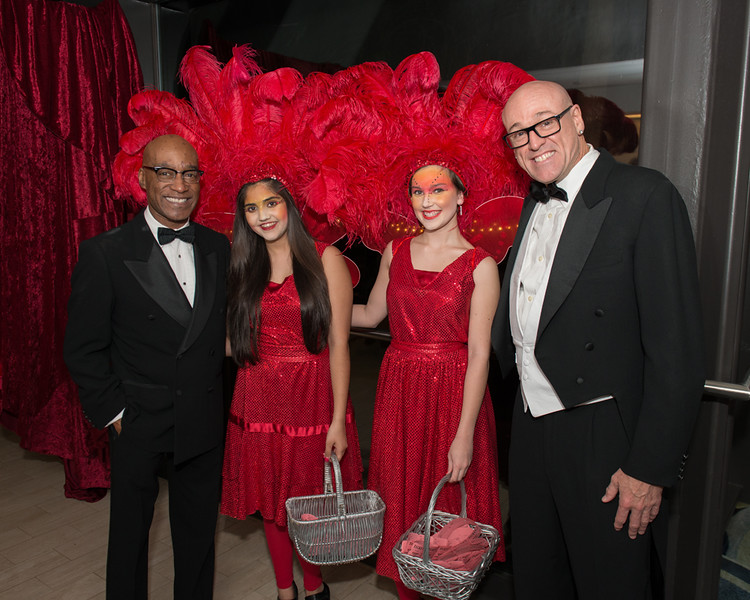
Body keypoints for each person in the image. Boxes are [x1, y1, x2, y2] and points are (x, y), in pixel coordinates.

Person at [491, 80, 705, 599]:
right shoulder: (530, 203)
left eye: (545, 122)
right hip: (531, 427)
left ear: (577, 120)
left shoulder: (645, 196)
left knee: (609, 582)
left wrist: (648, 468)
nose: (533, 140)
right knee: (539, 577)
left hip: (603, 434)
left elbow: (676, 351)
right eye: (517, 133)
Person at [64, 134, 230, 599]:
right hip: (138, 420)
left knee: (199, 541)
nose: (180, 184)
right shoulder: (106, 252)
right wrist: (115, 415)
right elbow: (82, 348)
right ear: (142, 179)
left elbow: (223, 333)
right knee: (130, 541)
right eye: (166, 172)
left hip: (201, 418)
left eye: (189, 173)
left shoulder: (218, 247)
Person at [352, 164, 504, 600]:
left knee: (451, 530)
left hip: (454, 398)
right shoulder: (394, 251)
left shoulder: (481, 265)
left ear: (460, 196)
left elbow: (479, 356)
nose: (427, 200)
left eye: (438, 189)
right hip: (399, 393)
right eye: (417, 192)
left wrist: (465, 435)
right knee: (403, 512)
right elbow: (368, 315)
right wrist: (314, 303)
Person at [221, 177, 362, 600]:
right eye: (251, 208)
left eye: (270, 203)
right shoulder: (244, 265)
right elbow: (234, 341)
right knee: (272, 503)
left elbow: (339, 344)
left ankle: (316, 588)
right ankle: (286, 592)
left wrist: (338, 420)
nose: (262, 214)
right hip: (258, 394)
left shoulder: (325, 259)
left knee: (306, 504)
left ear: (289, 206)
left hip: (311, 396)